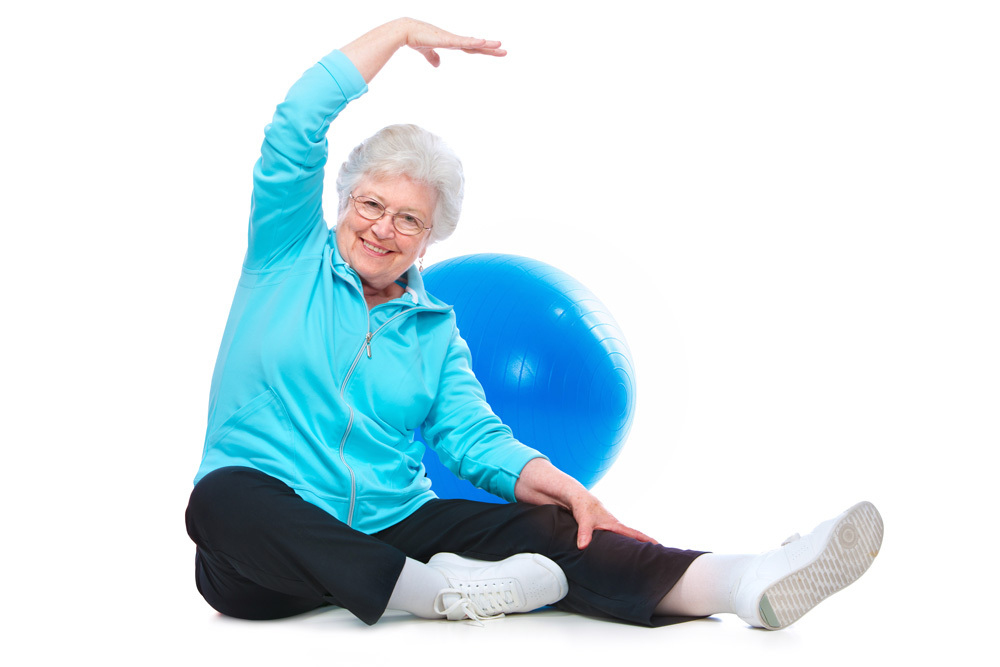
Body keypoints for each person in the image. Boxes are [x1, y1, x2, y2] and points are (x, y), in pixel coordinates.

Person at [185, 18, 883, 629]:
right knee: (218, 498)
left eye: (409, 219)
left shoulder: (435, 331)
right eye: (370, 204)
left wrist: (564, 488)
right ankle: (435, 592)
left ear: (430, 239)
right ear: (343, 200)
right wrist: (397, 32)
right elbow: (293, 127)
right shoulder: (285, 257)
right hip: (260, 557)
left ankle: (737, 579)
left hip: (391, 526)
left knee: (551, 525)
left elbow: (473, 437)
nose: (382, 229)